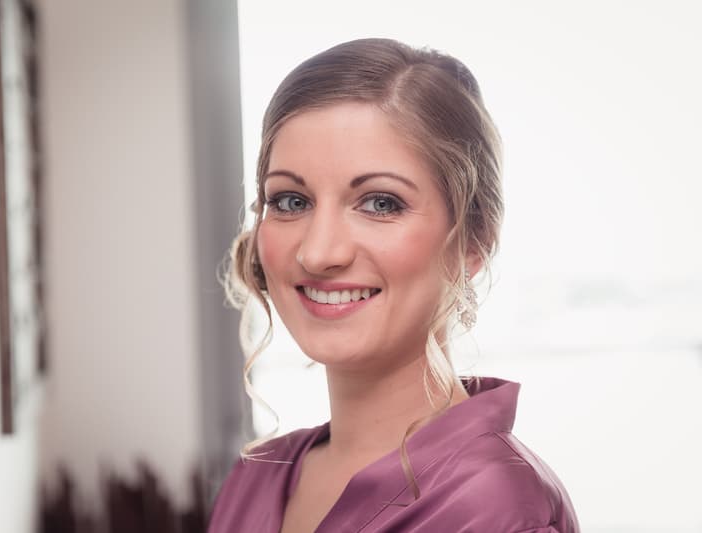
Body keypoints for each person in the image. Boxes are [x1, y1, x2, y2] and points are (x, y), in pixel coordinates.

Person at [209, 38, 579, 532]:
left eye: (381, 203)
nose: (318, 253)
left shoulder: (497, 508)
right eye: (291, 201)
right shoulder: (257, 474)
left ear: (474, 242)